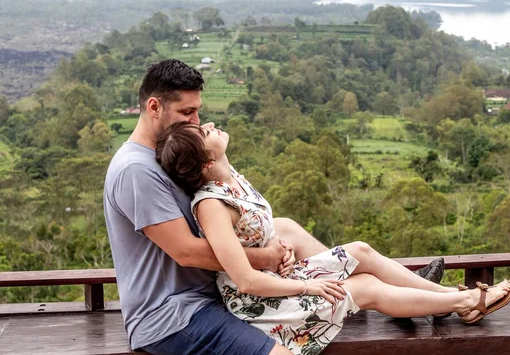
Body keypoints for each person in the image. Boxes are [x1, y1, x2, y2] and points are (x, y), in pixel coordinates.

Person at [103, 59, 445, 355]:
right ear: (153, 107)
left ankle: (397, 291)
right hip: (175, 314)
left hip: (211, 293)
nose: (195, 122)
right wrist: (265, 257)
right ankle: (370, 291)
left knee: (285, 227)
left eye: (197, 112)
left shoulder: (167, 153)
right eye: (186, 113)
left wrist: (271, 244)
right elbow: (188, 252)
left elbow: (224, 198)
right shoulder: (137, 170)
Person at [155, 120, 510, 355]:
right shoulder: (211, 205)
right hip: (263, 304)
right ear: (204, 162)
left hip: (278, 279)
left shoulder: (228, 173)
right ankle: (465, 301)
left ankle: (460, 298)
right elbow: (246, 281)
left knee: (360, 251)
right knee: (363, 287)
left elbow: (254, 234)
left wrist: (276, 248)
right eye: (204, 132)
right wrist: (308, 288)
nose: (212, 125)